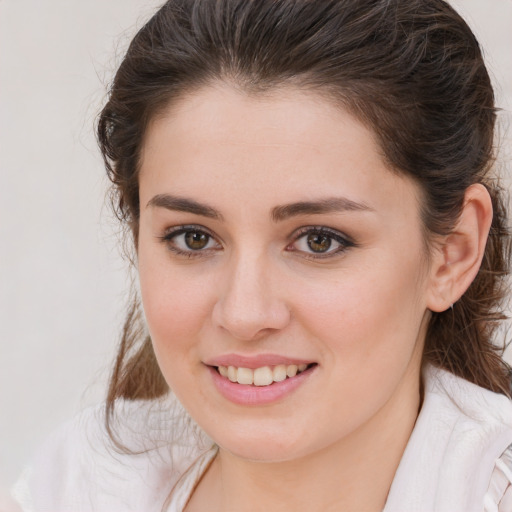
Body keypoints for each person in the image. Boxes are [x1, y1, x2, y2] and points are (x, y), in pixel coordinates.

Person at [11, 0, 512, 510]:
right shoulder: (75, 484)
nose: (244, 314)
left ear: (453, 251)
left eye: (320, 240)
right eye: (194, 238)